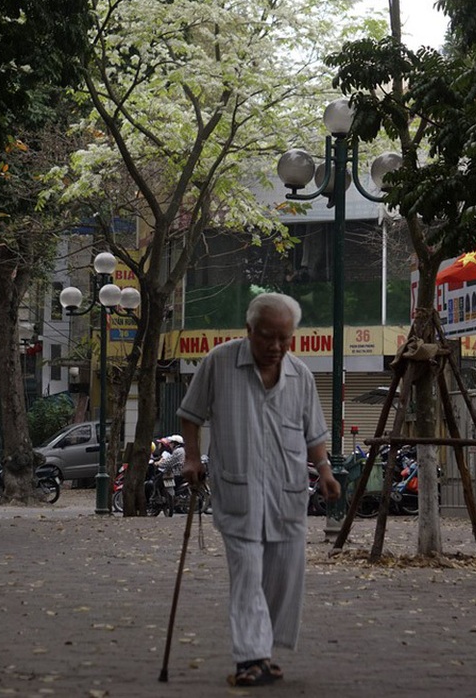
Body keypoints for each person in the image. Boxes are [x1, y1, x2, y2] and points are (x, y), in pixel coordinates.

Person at [179, 292, 341, 688]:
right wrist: (192, 458)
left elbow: (313, 433)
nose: (276, 347)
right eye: (267, 336)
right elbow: (190, 415)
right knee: (248, 574)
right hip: (239, 492)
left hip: (287, 494)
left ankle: (263, 653)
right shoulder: (219, 362)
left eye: (285, 338)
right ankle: (248, 658)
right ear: (249, 330)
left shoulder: (300, 375)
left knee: (284, 575)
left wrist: (325, 471)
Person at [154, 434, 185, 516]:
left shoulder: (177, 451)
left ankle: (165, 499)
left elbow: (169, 462)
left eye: (171, 443)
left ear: (175, 443)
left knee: (159, 480)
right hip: (180, 473)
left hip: (176, 473)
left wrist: (158, 464)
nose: (170, 444)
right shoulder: (181, 450)